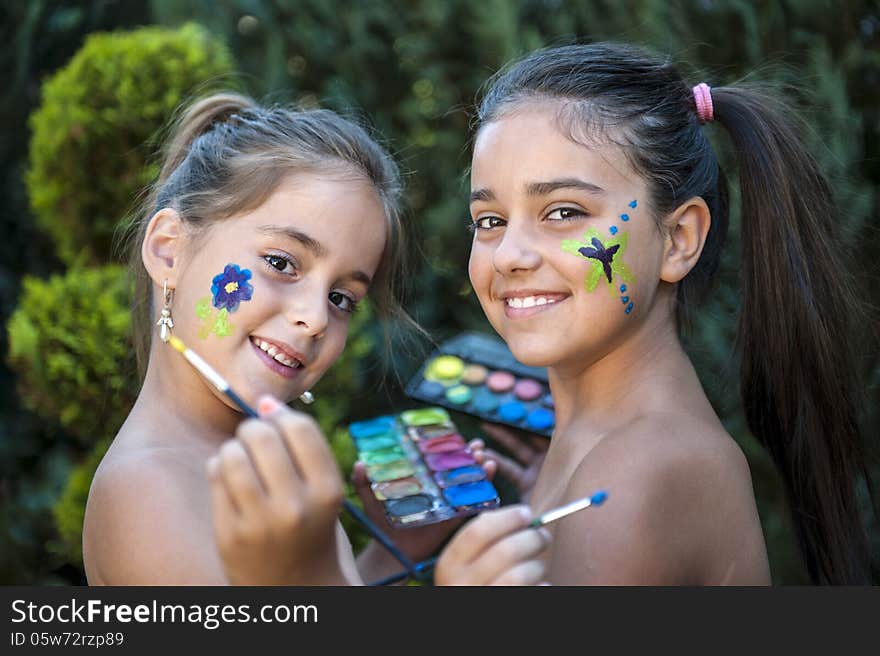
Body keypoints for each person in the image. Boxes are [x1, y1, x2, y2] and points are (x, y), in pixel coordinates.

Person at [82, 93, 551, 586]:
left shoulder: (244, 459)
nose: (315, 318)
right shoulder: (150, 491)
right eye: (281, 263)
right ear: (169, 250)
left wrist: (391, 554)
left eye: (342, 297)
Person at [464, 42, 876, 585]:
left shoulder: (633, 476)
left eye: (563, 212)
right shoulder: (609, 454)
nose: (511, 255)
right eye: (489, 219)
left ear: (679, 240)